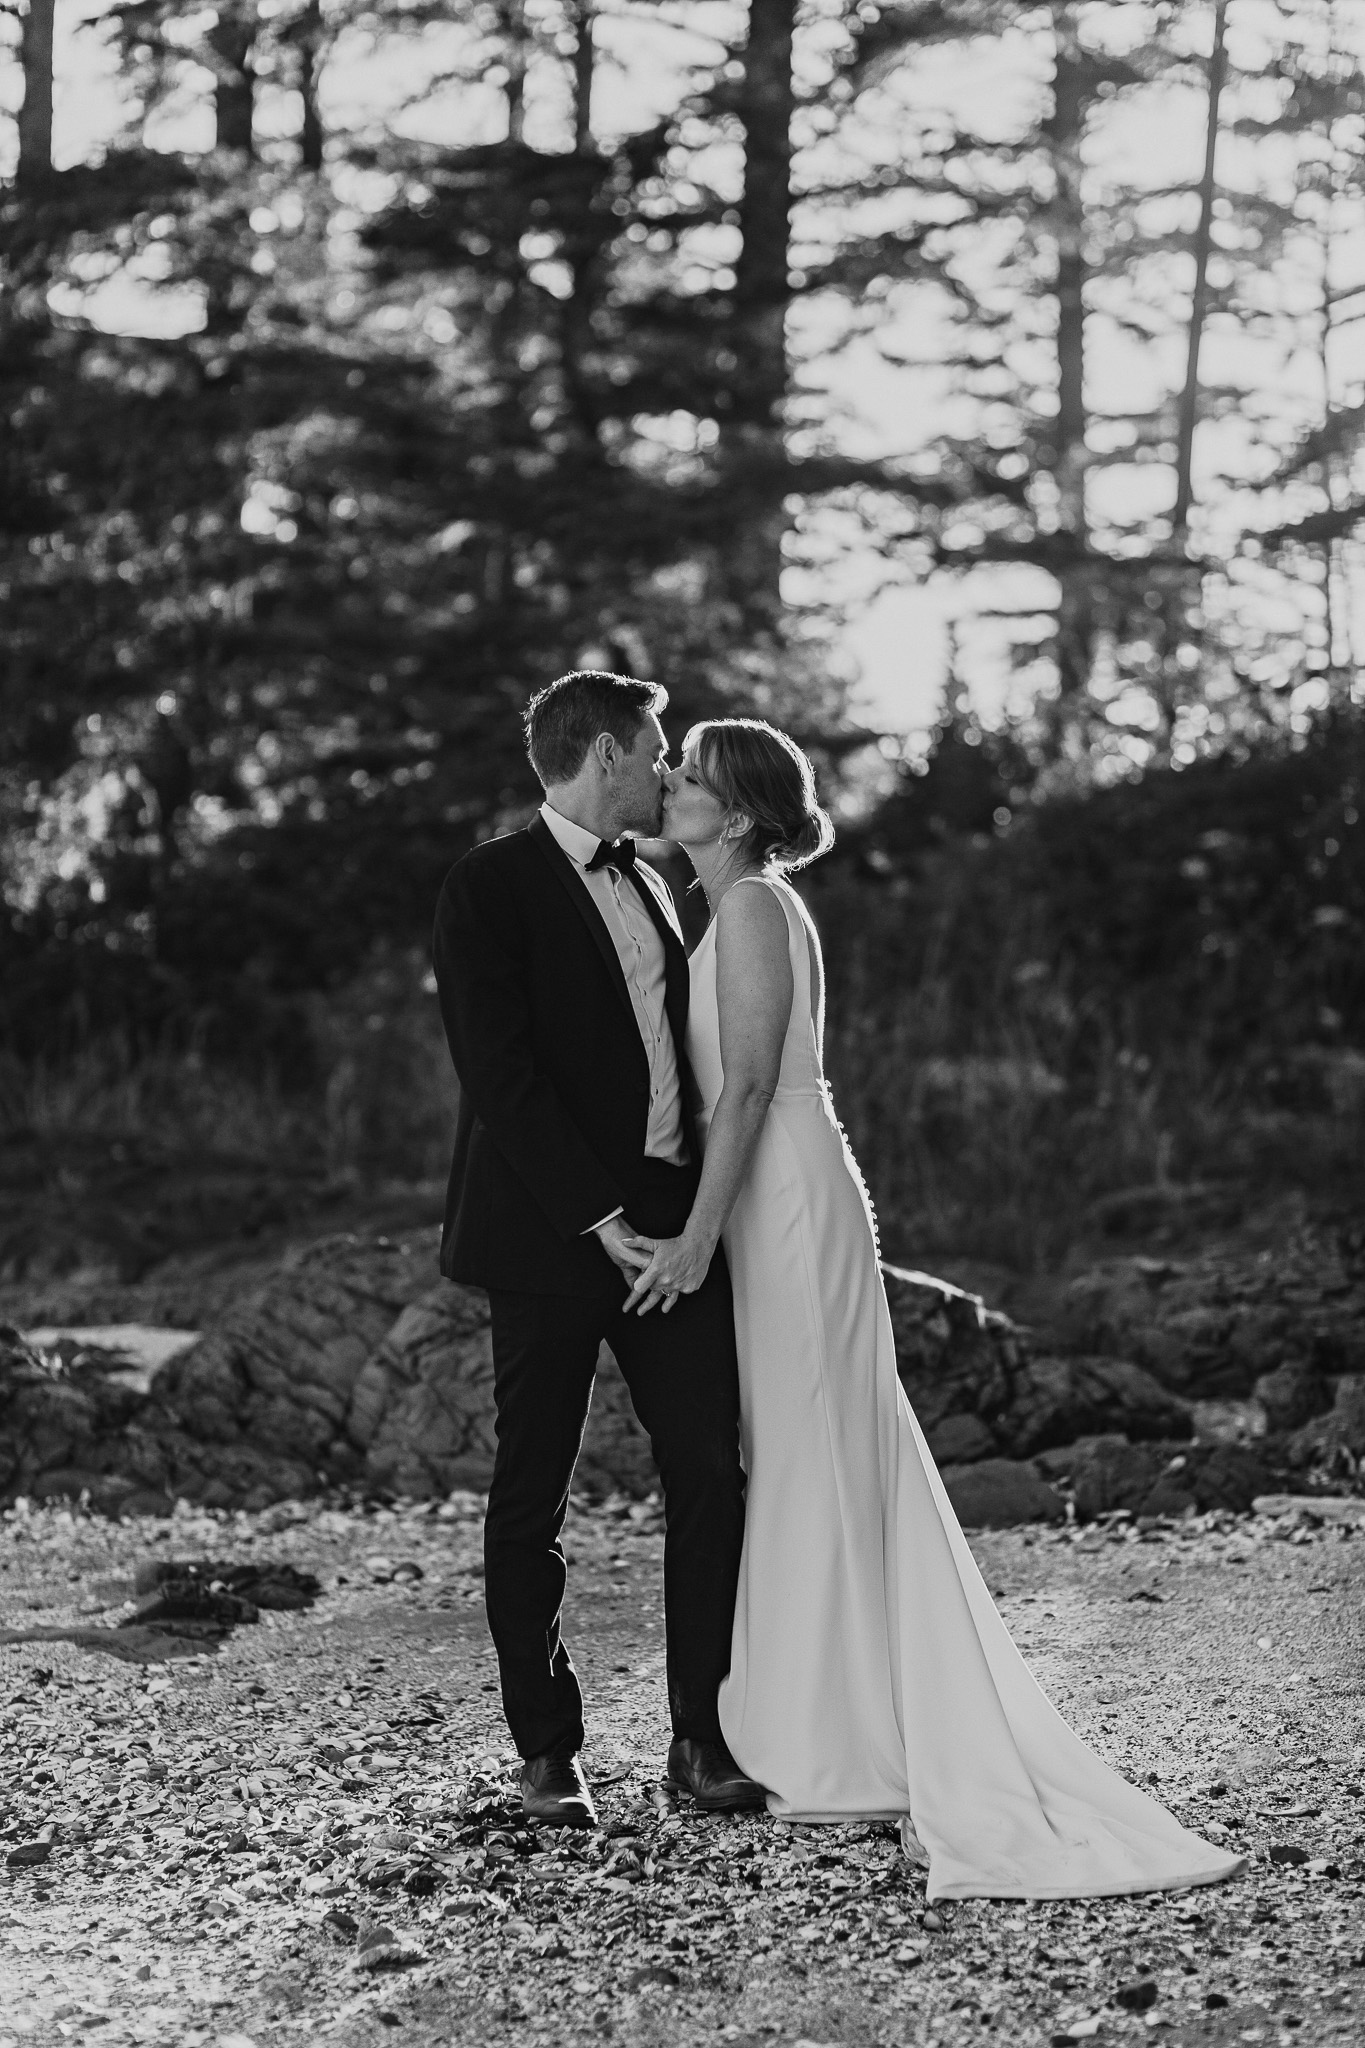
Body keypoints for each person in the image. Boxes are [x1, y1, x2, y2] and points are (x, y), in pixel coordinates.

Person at [623, 716, 1247, 1901]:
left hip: (786, 1200)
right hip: (770, 1193)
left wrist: (698, 1234)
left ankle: (829, 1736)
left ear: (740, 813)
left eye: (689, 776)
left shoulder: (753, 906)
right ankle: (825, 1716)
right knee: (805, 1449)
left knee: (811, 1447)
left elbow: (750, 1083)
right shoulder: (726, 906)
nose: (668, 783)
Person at [431, 671, 766, 1829]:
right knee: (533, 1494)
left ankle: (702, 1736)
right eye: (657, 747)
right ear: (609, 753)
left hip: (673, 1234)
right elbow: (501, 1074)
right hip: (549, 1239)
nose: (669, 766)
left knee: (710, 1474)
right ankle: (548, 1751)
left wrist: (688, 1213)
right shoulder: (488, 883)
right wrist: (594, 1214)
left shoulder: (663, 883)